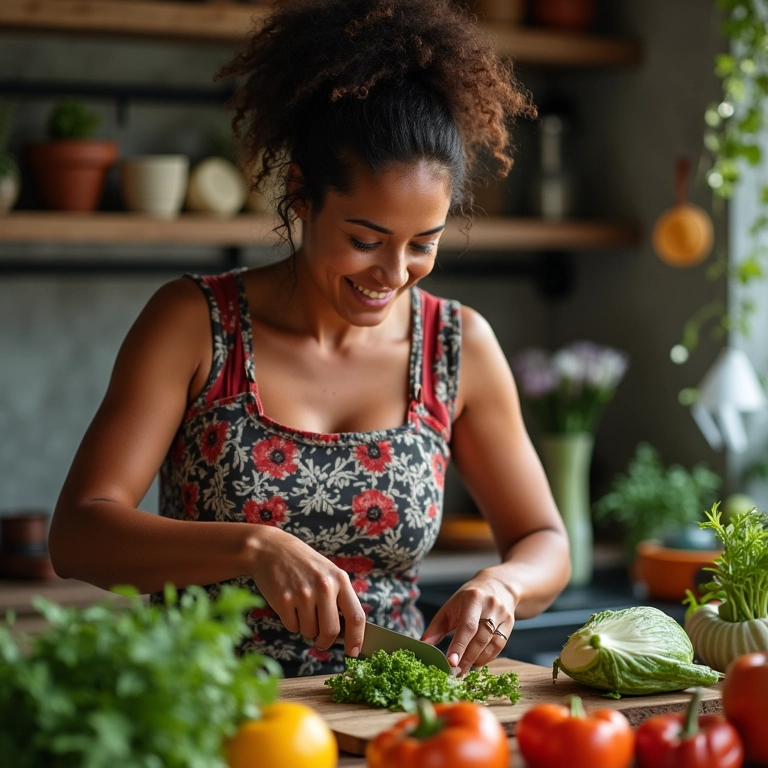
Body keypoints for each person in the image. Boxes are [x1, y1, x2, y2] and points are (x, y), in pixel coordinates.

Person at [49, 0, 570, 678]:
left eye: (424, 244)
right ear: (300, 194)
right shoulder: (194, 322)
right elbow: (80, 534)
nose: (392, 274)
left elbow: (546, 541)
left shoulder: (457, 345)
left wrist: (504, 586)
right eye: (364, 240)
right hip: (208, 708)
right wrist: (253, 547)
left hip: (388, 712)